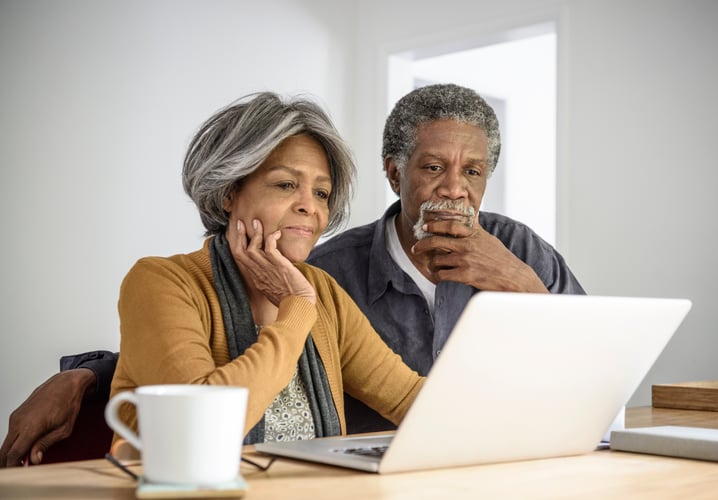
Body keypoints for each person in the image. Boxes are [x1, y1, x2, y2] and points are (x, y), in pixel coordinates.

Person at [1, 84, 583, 466]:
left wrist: (529, 448)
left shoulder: (324, 293)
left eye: (322, 192)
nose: (312, 207)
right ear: (230, 191)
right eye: (286, 185)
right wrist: (295, 307)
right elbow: (202, 431)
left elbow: (416, 402)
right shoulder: (167, 281)